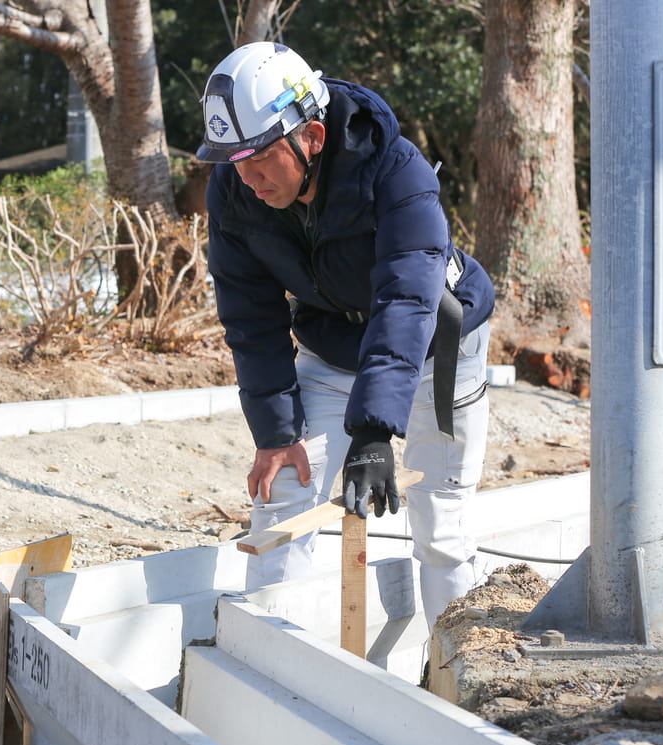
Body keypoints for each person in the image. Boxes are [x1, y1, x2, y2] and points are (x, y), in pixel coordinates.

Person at [196, 42, 496, 629]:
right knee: (281, 494)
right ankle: (273, 670)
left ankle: (458, 682)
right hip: (333, 348)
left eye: (258, 158)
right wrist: (276, 432)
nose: (247, 177)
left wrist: (375, 430)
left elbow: (407, 300)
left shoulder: (396, 170)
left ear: (310, 136)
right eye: (233, 160)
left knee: (442, 525)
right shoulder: (235, 190)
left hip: (438, 346)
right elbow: (249, 317)